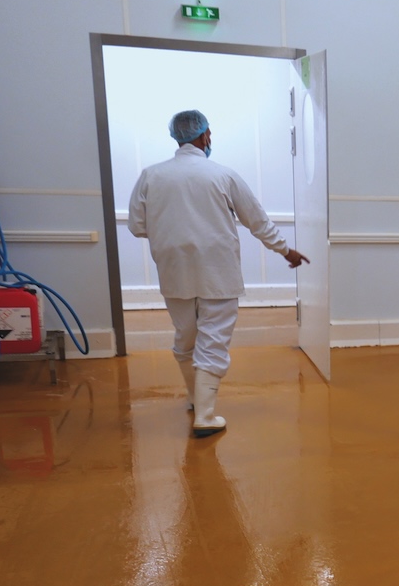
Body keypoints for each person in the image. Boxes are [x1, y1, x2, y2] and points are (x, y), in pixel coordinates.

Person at [128, 110, 309, 438]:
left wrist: (172, 231)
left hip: (174, 270)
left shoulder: (150, 176)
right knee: (213, 339)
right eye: (209, 134)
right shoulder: (223, 175)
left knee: (185, 337)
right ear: (204, 135)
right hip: (218, 271)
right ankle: (205, 415)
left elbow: (137, 226)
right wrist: (285, 250)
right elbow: (257, 221)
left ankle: (195, 400)